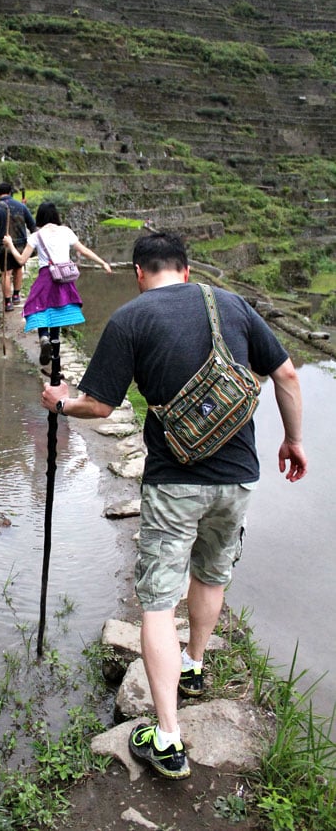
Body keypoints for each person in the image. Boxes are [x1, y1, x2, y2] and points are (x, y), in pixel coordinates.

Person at [40, 232, 307, 781]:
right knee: (212, 576)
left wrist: (61, 402)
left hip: (173, 483)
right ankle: (194, 666)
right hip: (239, 479)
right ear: (186, 271)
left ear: (140, 272)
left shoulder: (131, 319)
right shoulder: (229, 303)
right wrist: (293, 440)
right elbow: (287, 374)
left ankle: (166, 738)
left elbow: (100, 404)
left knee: (158, 602)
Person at [3, 201, 112, 364]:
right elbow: (83, 250)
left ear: (39, 217)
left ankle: (44, 337)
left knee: (38, 307)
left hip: (46, 277)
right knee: (58, 311)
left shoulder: (36, 236)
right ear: (56, 216)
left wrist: (10, 245)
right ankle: (55, 353)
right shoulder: (66, 231)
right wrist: (102, 262)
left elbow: (21, 259)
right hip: (64, 277)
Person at [0, 182, 36, 312]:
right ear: (11, 192)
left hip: (4, 246)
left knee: (6, 273)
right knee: (18, 269)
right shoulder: (21, 207)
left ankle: (7, 303)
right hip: (21, 245)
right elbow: (32, 225)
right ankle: (16, 295)